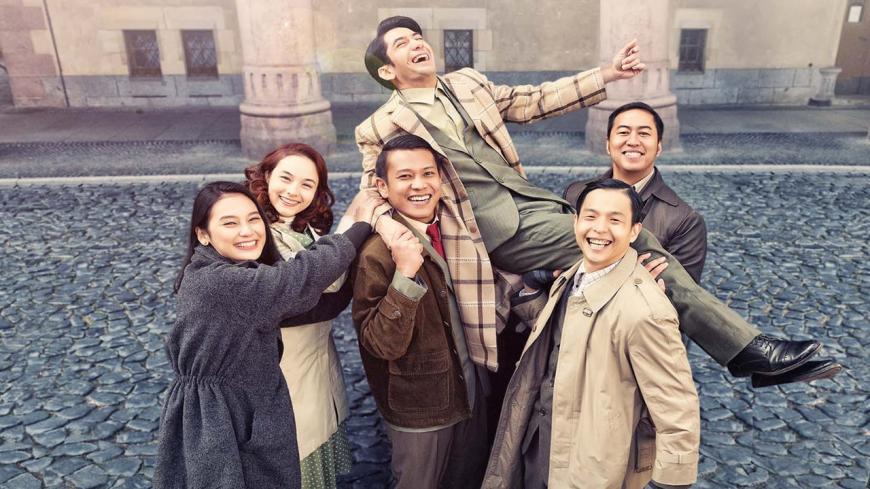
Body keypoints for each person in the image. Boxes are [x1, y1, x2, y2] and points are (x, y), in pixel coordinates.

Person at [355, 15, 820, 384]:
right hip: (491, 230)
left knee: (635, 252)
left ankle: (730, 353)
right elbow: (370, 192)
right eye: (402, 43)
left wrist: (608, 74)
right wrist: (391, 227)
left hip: (533, 202)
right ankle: (746, 350)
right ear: (387, 71)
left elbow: (534, 100)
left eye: (418, 36)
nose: (417, 43)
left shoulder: (467, 84)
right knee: (630, 240)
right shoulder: (379, 126)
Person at [562, 102, 841, 388]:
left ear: (659, 147)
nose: (633, 141)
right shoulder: (574, 195)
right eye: (623, 132)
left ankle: (747, 352)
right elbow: (555, 259)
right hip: (569, 330)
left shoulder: (684, 219)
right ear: (608, 144)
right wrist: (631, 271)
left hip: (629, 348)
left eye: (644, 134)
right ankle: (747, 352)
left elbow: (682, 305)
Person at [154, 181, 376, 488]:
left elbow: (308, 306)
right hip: (222, 420)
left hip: (230, 411)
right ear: (202, 234)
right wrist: (362, 225)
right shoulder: (222, 283)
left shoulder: (222, 273)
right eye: (230, 223)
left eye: (253, 219)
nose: (247, 231)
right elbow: (301, 275)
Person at [484, 179, 701, 489]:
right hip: (538, 445)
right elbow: (569, 336)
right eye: (591, 216)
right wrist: (530, 292)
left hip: (591, 464)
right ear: (575, 221)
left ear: (635, 231)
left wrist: (669, 482)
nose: (599, 229)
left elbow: (676, 406)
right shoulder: (573, 275)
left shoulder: (646, 310)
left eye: (615, 220)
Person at [350, 135, 489, 489]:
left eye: (428, 173)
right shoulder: (377, 254)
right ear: (382, 186)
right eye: (405, 176)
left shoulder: (458, 230)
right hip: (420, 408)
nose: (419, 185)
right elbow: (380, 344)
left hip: (469, 390)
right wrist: (405, 276)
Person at [244, 143, 367, 488]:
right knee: (290, 461)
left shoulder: (308, 227)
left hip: (316, 367)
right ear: (267, 176)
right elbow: (298, 299)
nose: (293, 191)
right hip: (281, 372)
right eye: (286, 178)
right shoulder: (252, 233)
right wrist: (356, 226)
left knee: (315, 446)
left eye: (307, 184)